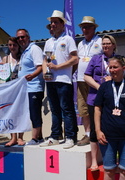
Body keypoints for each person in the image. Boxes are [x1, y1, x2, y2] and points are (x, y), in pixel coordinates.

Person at [40, 10, 78, 149]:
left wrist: (59, 67)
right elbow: (45, 60)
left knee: (66, 109)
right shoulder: (48, 41)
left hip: (63, 79)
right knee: (54, 110)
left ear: (63, 24)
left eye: (56, 22)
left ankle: (70, 137)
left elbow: (75, 58)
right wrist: (45, 72)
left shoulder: (68, 39)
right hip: (50, 80)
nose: (53, 25)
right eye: (51, 22)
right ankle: (54, 136)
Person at [84, 34, 118, 171]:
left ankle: (110, 159)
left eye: (108, 43)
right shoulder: (96, 58)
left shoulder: (118, 59)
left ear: (114, 45)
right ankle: (94, 161)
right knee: (94, 129)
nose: (105, 46)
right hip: (95, 99)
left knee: (112, 129)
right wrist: (99, 87)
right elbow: (86, 76)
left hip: (112, 100)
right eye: (103, 43)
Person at [15, 29, 45, 146]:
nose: (20, 39)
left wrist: (32, 75)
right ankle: (40, 137)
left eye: (22, 37)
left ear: (28, 37)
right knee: (30, 113)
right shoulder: (24, 52)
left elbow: (40, 66)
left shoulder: (34, 49)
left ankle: (35, 138)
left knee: (34, 113)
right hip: (26, 89)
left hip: (34, 87)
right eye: (18, 38)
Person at [76, 16, 102, 146]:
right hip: (80, 80)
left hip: (95, 81)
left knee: (96, 107)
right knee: (83, 109)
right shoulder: (80, 44)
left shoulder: (101, 41)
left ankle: (98, 133)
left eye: (87, 27)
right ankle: (87, 134)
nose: (84, 29)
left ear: (94, 28)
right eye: (83, 27)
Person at [1, 37, 23, 146]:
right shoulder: (5, 59)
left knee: (20, 114)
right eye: (10, 45)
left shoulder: (22, 58)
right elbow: (2, 76)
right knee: (10, 114)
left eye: (14, 45)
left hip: (20, 90)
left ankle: (20, 138)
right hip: (9, 91)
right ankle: (13, 137)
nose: (12, 47)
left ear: (18, 46)